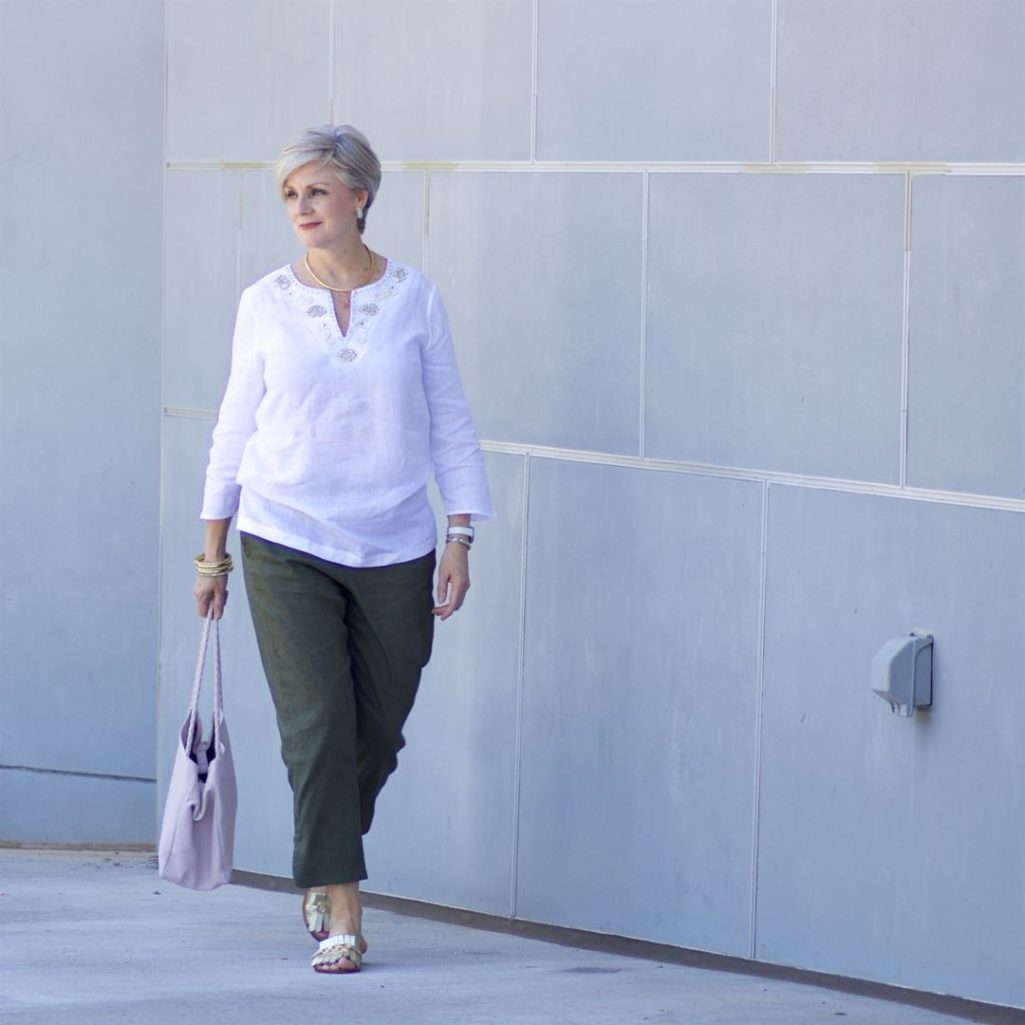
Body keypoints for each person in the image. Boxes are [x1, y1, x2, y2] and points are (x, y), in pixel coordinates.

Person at [192, 124, 493, 975]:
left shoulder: (414, 298)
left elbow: (452, 423)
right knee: (317, 723)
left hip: (396, 540)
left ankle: (326, 848)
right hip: (284, 534)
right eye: (290, 195)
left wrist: (460, 532)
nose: (300, 208)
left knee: (379, 727)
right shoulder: (263, 302)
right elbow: (231, 428)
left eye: (315, 192)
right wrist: (210, 551)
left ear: (360, 195)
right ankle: (341, 905)